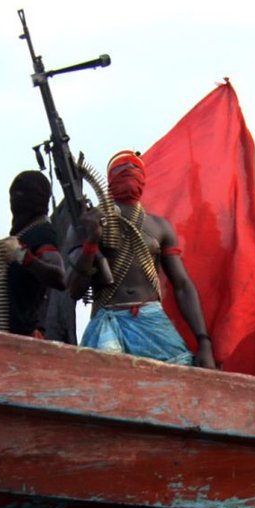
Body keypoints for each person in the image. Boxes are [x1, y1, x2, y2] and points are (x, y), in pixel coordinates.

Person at [65, 150, 215, 368]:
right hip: (107, 321)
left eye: (135, 169)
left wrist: (204, 341)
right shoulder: (89, 222)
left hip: (151, 320)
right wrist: (90, 242)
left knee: (178, 380)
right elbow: (74, 290)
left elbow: (182, 285)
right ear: (109, 180)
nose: (128, 173)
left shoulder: (160, 227)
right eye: (121, 170)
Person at [0, 171, 66, 337]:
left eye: (22, 194)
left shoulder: (42, 233)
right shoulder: (20, 237)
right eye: (14, 195)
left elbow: (59, 277)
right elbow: (15, 294)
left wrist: (22, 256)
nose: (16, 200)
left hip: (21, 339)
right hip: (0, 334)